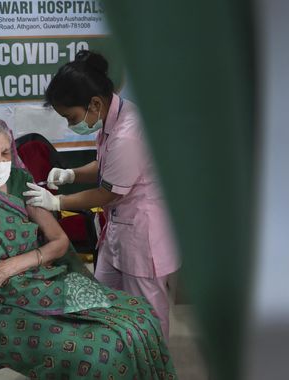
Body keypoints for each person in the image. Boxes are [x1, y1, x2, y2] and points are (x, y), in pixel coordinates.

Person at [0, 112, 177, 379]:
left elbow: (59, 242)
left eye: (5, 153)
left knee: (140, 317)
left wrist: (8, 267)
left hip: (40, 283)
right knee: (96, 353)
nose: (0, 163)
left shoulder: (17, 182)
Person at [23, 51, 180, 340]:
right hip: (118, 230)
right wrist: (70, 173)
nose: (71, 125)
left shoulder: (128, 134)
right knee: (103, 301)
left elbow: (106, 193)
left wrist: (57, 202)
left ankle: (154, 366)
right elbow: (107, 165)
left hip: (143, 235)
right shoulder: (112, 118)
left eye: (71, 117)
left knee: (148, 314)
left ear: (94, 103)